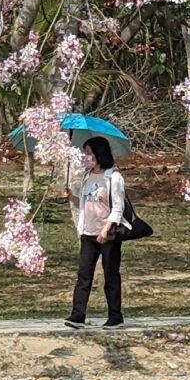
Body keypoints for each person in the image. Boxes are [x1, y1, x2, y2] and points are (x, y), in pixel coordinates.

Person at [64, 134, 126, 330]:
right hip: (88, 233)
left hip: (107, 234)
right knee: (84, 274)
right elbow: (83, 203)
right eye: (85, 153)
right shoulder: (87, 177)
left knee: (110, 274)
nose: (85, 157)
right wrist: (71, 197)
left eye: (89, 153)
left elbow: (118, 207)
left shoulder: (113, 177)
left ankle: (115, 315)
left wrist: (106, 229)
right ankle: (77, 315)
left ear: (99, 154)